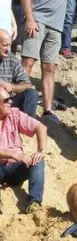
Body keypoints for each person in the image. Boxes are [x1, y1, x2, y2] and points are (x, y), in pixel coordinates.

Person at [0, 86, 46, 214]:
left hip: (15, 169)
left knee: (38, 160)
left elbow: (40, 127)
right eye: (6, 100)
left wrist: (40, 150)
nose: (11, 102)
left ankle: (34, 201)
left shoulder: (14, 114)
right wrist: (14, 155)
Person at [18, 0, 65, 125]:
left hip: (56, 25)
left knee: (50, 68)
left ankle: (47, 111)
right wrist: (29, 17)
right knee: (28, 62)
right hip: (36, 19)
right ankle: (17, 103)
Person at [0, 29, 38, 114]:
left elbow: (28, 84)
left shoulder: (12, 59)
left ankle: (27, 124)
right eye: (5, 45)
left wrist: (12, 88)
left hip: (7, 102)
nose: (8, 49)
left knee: (31, 94)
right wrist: (2, 84)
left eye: (10, 45)